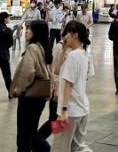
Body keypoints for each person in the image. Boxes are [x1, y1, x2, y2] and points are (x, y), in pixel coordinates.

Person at [11, 20, 52, 152]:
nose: (26, 31)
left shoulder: (32, 48)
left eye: (29, 29)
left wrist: (18, 90)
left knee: (23, 135)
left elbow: (28, 72)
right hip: (40, 96)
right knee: (31, 133)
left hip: (29, 97)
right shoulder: (44, 47)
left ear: (36, 32)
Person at [52, 21, 91, 152]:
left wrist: (64, 111)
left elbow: (68, 85)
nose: (64, 37)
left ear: (75, 35)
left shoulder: (73, 56)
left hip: (69, 112)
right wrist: (63, 51)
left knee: (58, 147)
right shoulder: (83, 54)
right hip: (82, 108)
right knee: (78, 147)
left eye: (67, 34)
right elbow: (57, 71)